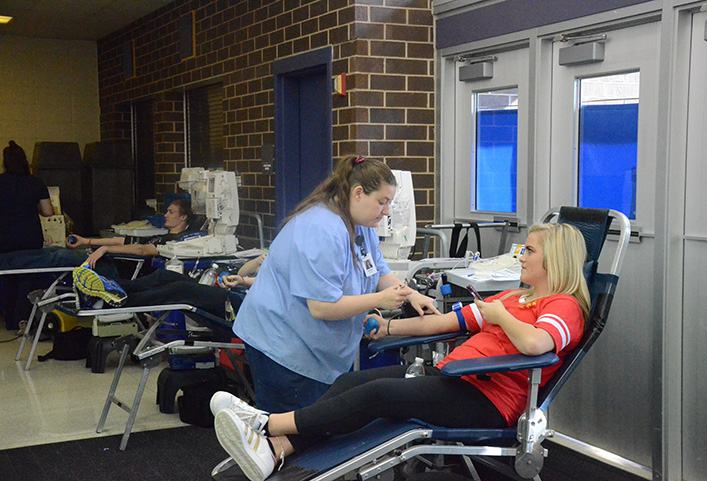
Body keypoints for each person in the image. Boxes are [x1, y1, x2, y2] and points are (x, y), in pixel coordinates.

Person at [211, 222, 591, 481]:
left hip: (488, 399)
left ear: (553, 260)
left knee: (378, 396)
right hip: (456, 378)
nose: (521, 255)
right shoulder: (514, 297)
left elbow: (536, 344)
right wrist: (387, 326)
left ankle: (267, 423)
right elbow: (441, 323)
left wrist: (498, 315)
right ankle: (277, 448)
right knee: (350, 382)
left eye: (530, 250)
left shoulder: (563, 305)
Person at [234, 155, 440, 413]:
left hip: (311, 345)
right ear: (358, 193)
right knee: (293, 429)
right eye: (382, 202)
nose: (386, 211)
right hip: (282, 345)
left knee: (313, 428)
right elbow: (322, 307)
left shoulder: (361, 223)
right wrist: (378, 301)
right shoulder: (322, 229)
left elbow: (377, 270)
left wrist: (410, 294)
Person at [73, 253, 266, 318]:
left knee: (181, 290)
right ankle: (112, 288)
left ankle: (110, 303)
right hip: (234, 295)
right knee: (165, 276)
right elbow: (241, 273)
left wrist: (244, 282)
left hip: (242, 309)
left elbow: (272, 285)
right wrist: (259, 261)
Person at [0, 141, 54, 330]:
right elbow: (48, 212)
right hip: (30, 236)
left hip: (4, 238)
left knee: (8, 277)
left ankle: (10, 321)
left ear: (5, 162)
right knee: (28, 278)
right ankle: (24, 319)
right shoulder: (35, 182)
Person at [66, 199, 197, 269]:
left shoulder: (175, 241)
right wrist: (85, 241)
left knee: (60, 256)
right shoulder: (163, 235)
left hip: (122, 269)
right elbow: (122, 240)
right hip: (115, 263)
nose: (165, 215)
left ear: (183, 217)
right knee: (57, 253)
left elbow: (142, 249)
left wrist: (105, 249)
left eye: (171, 212)